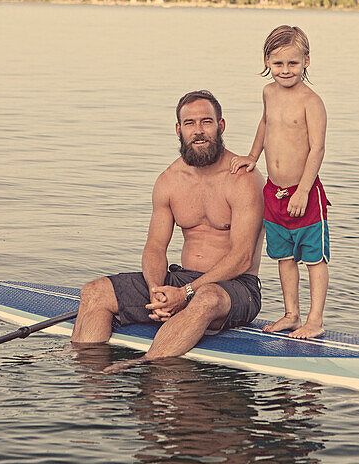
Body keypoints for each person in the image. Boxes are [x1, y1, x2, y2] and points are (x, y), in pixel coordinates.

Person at [71, 90, 265, 369]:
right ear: (178, 130)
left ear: (221, 126)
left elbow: (243, 257)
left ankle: (145, 364)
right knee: (94, 292)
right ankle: (87, 371)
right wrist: (155, 289)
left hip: (235, 288)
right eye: (190, 124)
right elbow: (154, 247)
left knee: (206, 298)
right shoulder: (169, 181)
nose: (198, 131)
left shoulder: (243, 180)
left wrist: (186, 292)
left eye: (206, 122)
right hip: (183, 281)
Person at [230, 25, 330, 339]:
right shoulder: (268, 93)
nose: (285, 70)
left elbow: (318, 148)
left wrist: (302, 190)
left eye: (293, 63)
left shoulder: (311, 101)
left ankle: (315, 320)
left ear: (307, 62)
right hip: (274, 191)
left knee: (314, 258)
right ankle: (292, 313)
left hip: (304, 192)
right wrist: (252, 156)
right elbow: (266, 122)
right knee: (284, 256)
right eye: (278, 63)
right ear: (266, 62)